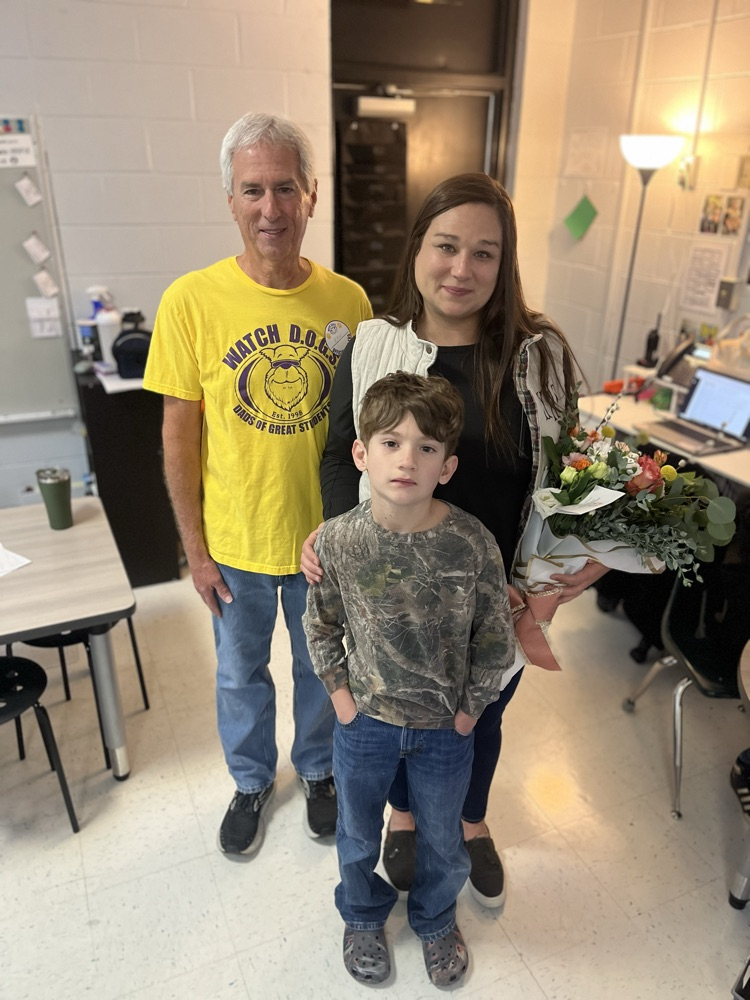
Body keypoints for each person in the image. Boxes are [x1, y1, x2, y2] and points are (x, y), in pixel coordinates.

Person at [301, 172, 606, 907]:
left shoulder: (540, 356)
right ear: (418, 251)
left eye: (484, 254)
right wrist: (341, 544)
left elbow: (572, 478)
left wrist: (550, 583)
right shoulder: (373, 346)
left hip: (497, 598)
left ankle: (470, 821)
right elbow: (340, 453)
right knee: (403, 709)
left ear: (505, 267)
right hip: (391, 596)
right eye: (446, 247)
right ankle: (404, 814)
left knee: (482, 714)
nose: (461, 270)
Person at [143, 112, 372, 858]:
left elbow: (367, 431)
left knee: (318, 667)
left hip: (323, 542)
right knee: (241, 674)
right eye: (252, 191)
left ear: (312, 195)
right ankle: (249, 780)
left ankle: (315, 771)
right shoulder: (190, 300)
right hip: (235, 542)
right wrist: (194, 550)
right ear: (230, 200)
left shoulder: (349, 305)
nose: (269, 209)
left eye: (284, 189)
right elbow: (179, 433)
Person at [303, 372, 515, 987]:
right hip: (364, 724)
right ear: (361, 455)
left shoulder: (472, 542)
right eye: (391, 443)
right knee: (356, 831)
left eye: (426, 448)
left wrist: (470, 713)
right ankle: (363, 914)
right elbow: (320, 628)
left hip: (446, 729)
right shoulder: (340, 539)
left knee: (445, 840)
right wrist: (343, 705)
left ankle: (434, 918)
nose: (408, 460)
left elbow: (495, 637)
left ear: (446, 467)